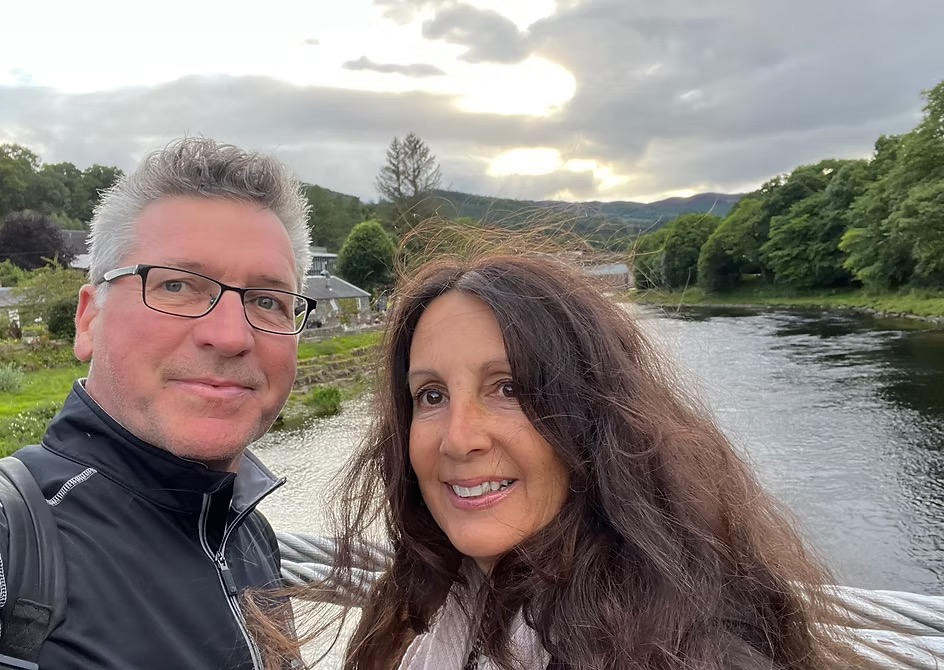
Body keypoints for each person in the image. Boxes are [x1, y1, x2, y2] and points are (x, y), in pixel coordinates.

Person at [255, 247, 864, 670]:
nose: (459, 439)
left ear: (595, 419)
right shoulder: (423, 612)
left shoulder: (690, 652)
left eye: (510, 388)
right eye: (431, 396)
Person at [0, 137, 316, 669]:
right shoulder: (14, 547)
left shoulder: (247, 533)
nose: (230, 336)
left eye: (267, 300)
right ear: (89, 319)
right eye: (176, 286)